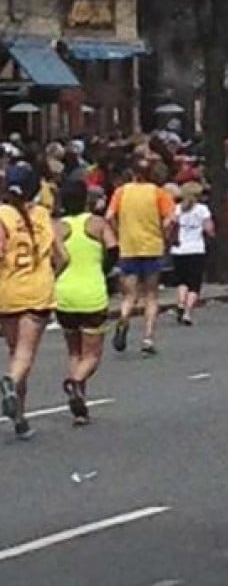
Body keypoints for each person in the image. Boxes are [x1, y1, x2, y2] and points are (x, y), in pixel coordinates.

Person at [0, 164, 68, 439]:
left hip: (6, 290)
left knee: (15, 352)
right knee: (25, 354)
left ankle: (20, 418)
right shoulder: (42, 215)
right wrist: (51, 275)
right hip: (37, 290)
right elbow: (63, 256)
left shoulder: (2, 215)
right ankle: (10, 385)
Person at [54, 179, 118, 426]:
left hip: (65, 294)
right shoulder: (97, 223)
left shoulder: (57, 227)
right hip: (91, 292)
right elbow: (113, 251)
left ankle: (80, 406)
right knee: (92, 355)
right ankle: (76, 383)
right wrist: (102, 269)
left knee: (74, 350)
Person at [106, 158, 177, 355]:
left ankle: (124, 318)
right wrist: (165, 236)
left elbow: (109, 216)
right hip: (152, 248)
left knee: (129, 294)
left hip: (128, 247)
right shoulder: (159, 193)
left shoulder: (121, 192)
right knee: (151, 295)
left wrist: (118, 232)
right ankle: (148, 338)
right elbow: (171, 219)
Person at [170, 182, 214, 326]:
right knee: (194, 284)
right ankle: (188, 313)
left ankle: (181, 302)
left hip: (179, 249)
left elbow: (171, 225)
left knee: (182, 280)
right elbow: (209, 229)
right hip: (196, 249)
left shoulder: (177, 209)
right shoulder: (202, 209)